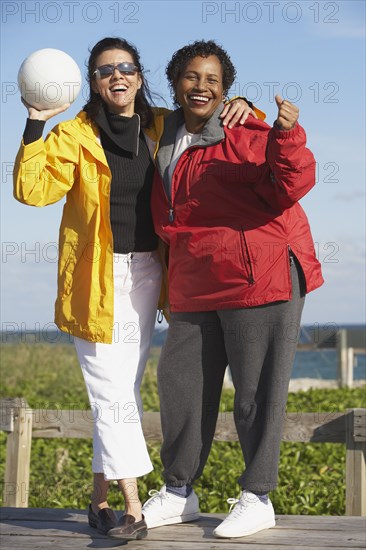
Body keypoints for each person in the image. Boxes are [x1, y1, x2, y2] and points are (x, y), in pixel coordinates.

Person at [13, 37, 255, 540]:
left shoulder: (163, 125)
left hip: (148, 275)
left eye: (125, 68)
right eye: (104, 71)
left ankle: (97, 499)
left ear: (140, 77)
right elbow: (31, 190)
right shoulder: (73, 135)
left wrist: (242, 104)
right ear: (94, 84)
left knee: (120, 392)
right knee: (108, 392)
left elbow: (209, 116)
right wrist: (36, 120)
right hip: (94, 279)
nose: (116, 76)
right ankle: (132, 506)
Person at [142, 40, 324, 539]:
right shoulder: (164, 133)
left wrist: (286, 135)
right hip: (195, 279)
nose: (201, 86)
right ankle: (180, 491)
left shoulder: (246, 128)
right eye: (191, 77)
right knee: (180, 386)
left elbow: (291, 182)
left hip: (259, 274)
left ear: (226, 91)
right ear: (175, 82)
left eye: (213, 81)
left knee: (255, 394)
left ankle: (257, 496)